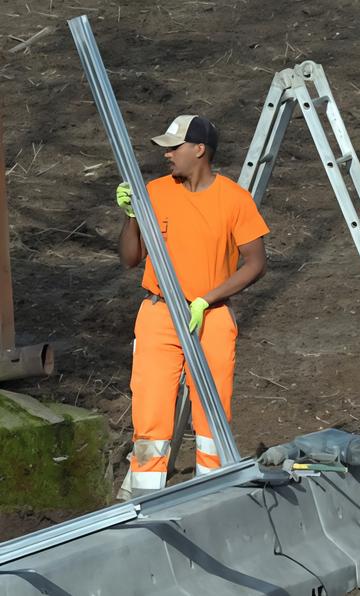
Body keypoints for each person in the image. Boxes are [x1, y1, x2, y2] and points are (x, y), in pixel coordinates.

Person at [115, 114, 269, 498]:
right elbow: (130, 258)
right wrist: (132, 217)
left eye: (174, 147)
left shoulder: (234, 199)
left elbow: (256, 263)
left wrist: (206, 300)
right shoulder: (154, 191)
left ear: (199, 150)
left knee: (212, 416)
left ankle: (210, 498)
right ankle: (144, 501)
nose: (167, 154)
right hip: (159, 313)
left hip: (210, 317)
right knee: (151, 414)